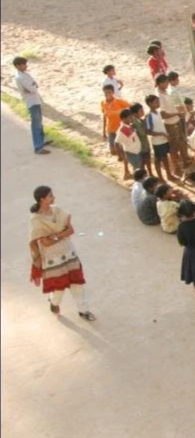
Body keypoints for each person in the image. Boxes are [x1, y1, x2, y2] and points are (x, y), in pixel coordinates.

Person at [29, 186, 94, 320]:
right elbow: (45, 243)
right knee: (59, 287)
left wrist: (54, 236)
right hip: (53, 258)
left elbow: (71, 230)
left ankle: (84, 311)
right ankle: (54, 303)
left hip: (69, 253)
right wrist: (62, 234)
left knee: (77, 284)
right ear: (42, 199)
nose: (54, 198)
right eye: (50, 196)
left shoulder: (58, 210)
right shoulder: (36, 220)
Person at [12, 57, 49, 154]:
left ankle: (42, 141)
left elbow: (35, 85)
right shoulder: (20, 77)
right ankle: (38, 147)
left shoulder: (25, 74)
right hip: (31, 102)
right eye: (24, 64)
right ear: (18, 66)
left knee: (39, 122)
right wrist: (32, 86)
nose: (26, 66)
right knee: (36, 124)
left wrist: (32, 86)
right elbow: (33, 88)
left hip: (35, 100)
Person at [101, 85, 131, 164]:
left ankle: (126, 165)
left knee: (121, 148)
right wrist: (103, 131)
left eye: (109, 92)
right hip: (110, 129)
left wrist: (122, 111)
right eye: (106, 92)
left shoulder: (119, 101)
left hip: (120, 129)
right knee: (113, 150)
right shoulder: (103, 103)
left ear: (113, 92)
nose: (107, 94)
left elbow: (130, 106)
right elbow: (104, 117)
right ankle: (123, 159)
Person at [114, 108, 143, 180]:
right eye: (130, 117)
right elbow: (117, 143)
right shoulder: (123, 129)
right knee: (137, 171)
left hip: (136, 151)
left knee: (138, 169)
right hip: (132, 153)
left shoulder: (129, 126)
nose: (132, 118)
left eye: (132, 116)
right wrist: (120, 155)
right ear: (124, 118)